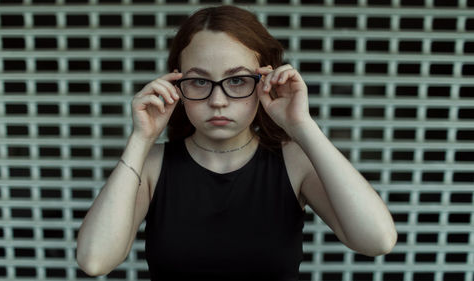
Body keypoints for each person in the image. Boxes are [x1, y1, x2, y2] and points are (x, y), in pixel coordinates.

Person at [76, 5, 397, 280]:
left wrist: (302, 124)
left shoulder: (294, 162)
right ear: (175, 83)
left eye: (237, 80)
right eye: (199, 81)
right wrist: (141, 138)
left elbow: (377, 240)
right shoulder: (152, 165)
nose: (218, 100)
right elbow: (94, 261)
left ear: (265, 81)